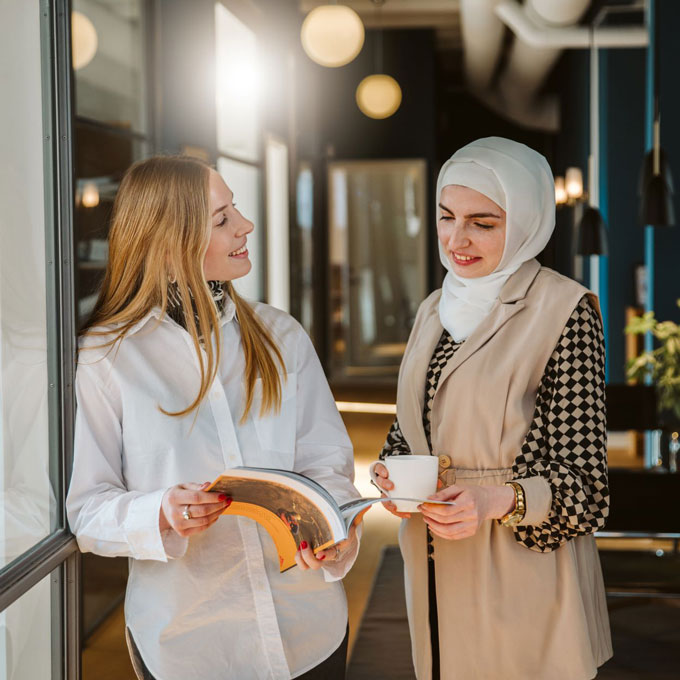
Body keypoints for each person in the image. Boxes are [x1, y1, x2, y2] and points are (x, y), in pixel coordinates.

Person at [66, 156, 362, 680]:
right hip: (189, 646)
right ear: (169, 240)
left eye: (236, 210)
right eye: (222, 219)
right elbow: (87, 508)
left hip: (309, 631)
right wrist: (160, 511)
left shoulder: (280, 335)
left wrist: (333, 526)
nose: (244, 225)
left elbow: (326, 460)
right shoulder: (106, 356)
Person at [373, 137, 612, 680]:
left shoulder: (564, 310)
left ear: (526, 222)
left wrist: (493, 498)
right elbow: (412, 424)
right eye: (446, 216)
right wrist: (392, 467)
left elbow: (588, 489)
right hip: (433, 563)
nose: (458, 239)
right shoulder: (434, 308)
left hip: (524, 573)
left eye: (484, 222)